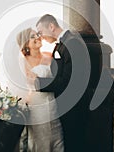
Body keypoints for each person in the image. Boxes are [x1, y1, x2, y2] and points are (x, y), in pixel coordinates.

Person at [35, 14, 90, 152]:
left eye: (41, 32)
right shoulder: (63, 42)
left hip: (74, 107)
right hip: (66, 105)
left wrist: (38, 83)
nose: (40, 37)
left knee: (74, 143)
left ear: (51, 26)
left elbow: (70, 81)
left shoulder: (72, 42)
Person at [16, 27, 64, 152]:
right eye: (33, 36)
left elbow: (59, 78)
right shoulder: (23, 61)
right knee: (41, 144)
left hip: (53, 104)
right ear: (26, 43)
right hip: (37, 107)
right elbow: (28, 82)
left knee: (58, 141)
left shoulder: (50, 56)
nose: (38, 37)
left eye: (37, 34)